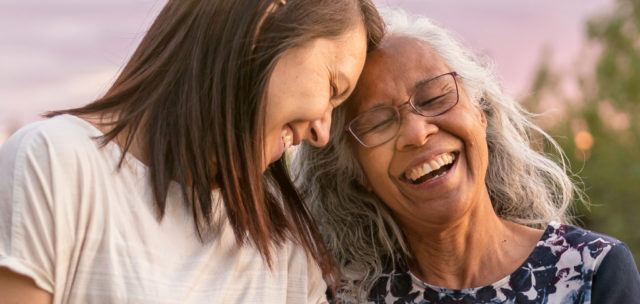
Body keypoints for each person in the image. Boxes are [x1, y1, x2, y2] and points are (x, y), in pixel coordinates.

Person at [0, 0, 384, 303]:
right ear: (264, 21)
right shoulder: (53, 165)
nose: (322, 131)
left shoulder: (285, 241)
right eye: (333, 88)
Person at [292, 9, 640, 303]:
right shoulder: (342, 296)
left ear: (480, 113)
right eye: (379, 123)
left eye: (433, 99)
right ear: (357, 172)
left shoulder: (592, 272)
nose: (417, 132)